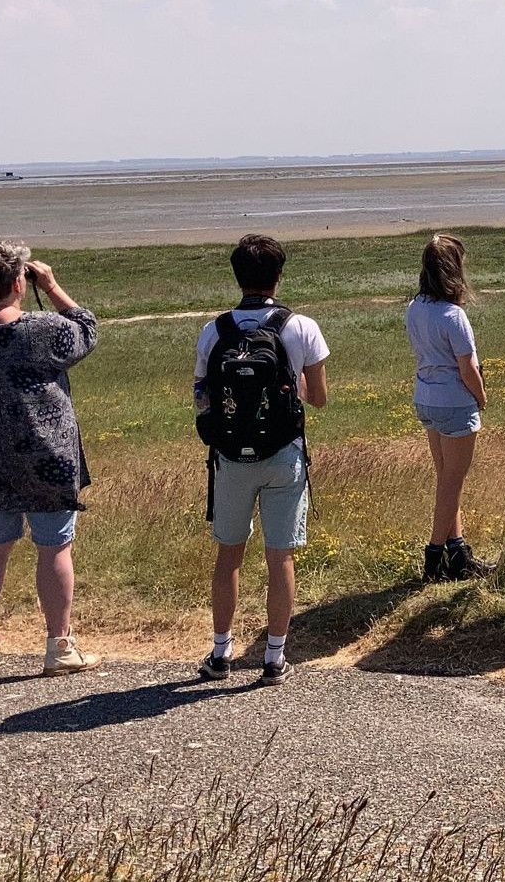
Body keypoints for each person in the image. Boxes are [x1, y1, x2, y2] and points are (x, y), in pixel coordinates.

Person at [0, 243, 100, 679]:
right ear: (20, 282)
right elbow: (86, 328)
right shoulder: (42, 329)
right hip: (45, 454)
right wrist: (51, 285)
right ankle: (59, 645)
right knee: (54, 546)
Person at [194, 234, 329, 685]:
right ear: (278, 276)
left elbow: (202, 395)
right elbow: (321, 399)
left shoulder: (214, 330)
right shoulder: (300, 326)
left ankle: (220, 652)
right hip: (283, 453)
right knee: (280, 556)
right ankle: (273, 657)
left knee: (228, 555)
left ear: (237, 276)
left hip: (230, 456)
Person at [405, 234, 494, 582]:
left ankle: (458, 551)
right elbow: (467, 368)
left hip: (426, 397)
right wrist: (482, 397)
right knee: (451, 484)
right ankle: (434, 557)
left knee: (446, 479)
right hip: (455, 401)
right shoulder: (453, 315)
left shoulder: (414, 308)